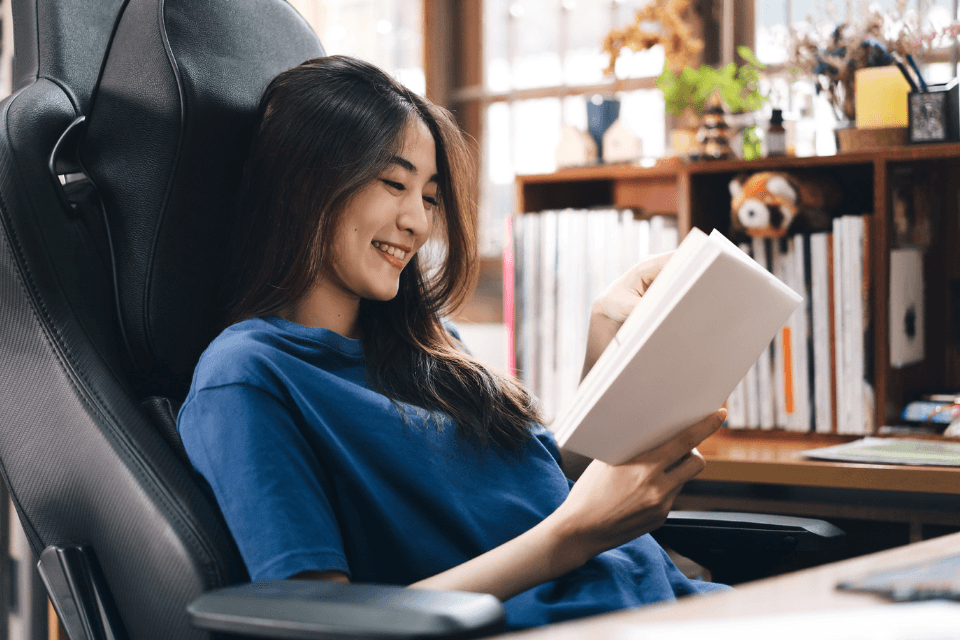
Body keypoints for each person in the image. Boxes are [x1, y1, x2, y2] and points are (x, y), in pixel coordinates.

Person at [176, 54, 729, 631]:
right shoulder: (248, 377)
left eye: (431, 197)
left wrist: (607, 353)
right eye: (394, 184)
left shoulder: (427, 345)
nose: (418, 221)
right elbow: (324, 624)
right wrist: (573, 536)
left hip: (673, 603)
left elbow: (527, 497)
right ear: (302, 184)